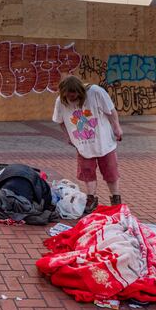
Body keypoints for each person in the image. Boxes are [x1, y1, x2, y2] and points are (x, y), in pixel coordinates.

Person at [52, 75, 123, 214]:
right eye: (68, 96)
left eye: (74, 95)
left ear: (80, 91)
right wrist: (68, 136)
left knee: (110, 171)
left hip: (104, 141)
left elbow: (111, 111)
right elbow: (60, 121)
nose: (72, 98)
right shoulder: (60, 101)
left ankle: (116, 198)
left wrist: (117, 127)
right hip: (82, 143)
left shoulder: (95, 92)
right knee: (87, 171)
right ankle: (91, 198)